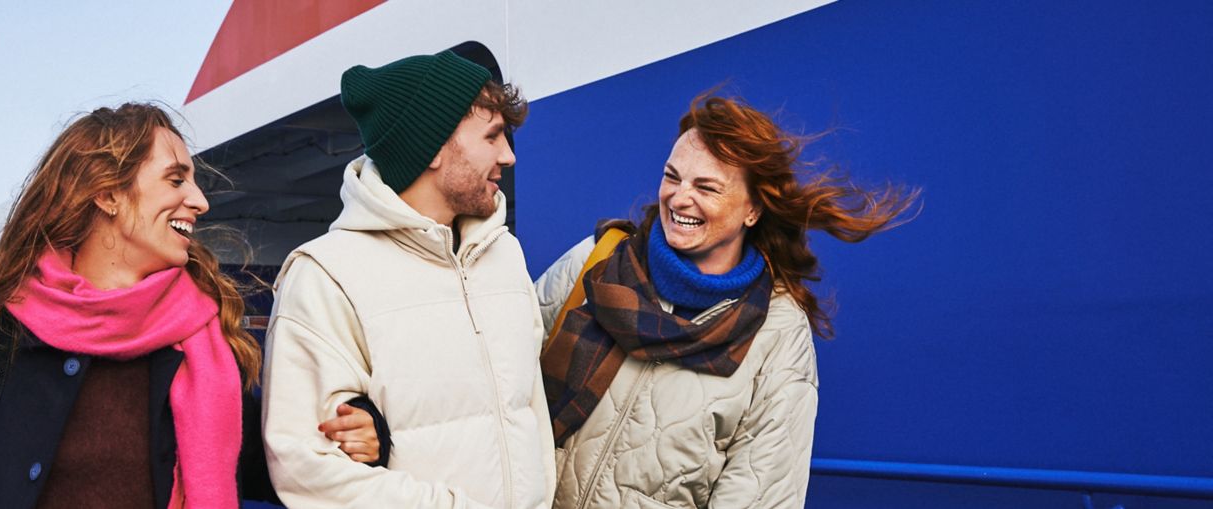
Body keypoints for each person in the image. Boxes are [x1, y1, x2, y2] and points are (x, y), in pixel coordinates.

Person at [0, 103, 382, 509]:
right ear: (107, 194)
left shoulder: (204, 337)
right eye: (176, 179)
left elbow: (268, 464)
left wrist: (349, 434)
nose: (201, 201)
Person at [536, 92, 919, 508]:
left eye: (707, 187)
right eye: (672, 176)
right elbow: (501, 398)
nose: (679, 198)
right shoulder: (597, 259)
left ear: (752, 209)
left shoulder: (777, 331)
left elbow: (761, 494)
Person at [261, 50, 555, 508]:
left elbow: (528, 414)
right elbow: (307, 468)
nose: (509, 156)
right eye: (493, 137)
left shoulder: (504, 254)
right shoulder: (326, 275)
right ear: (433, 146)